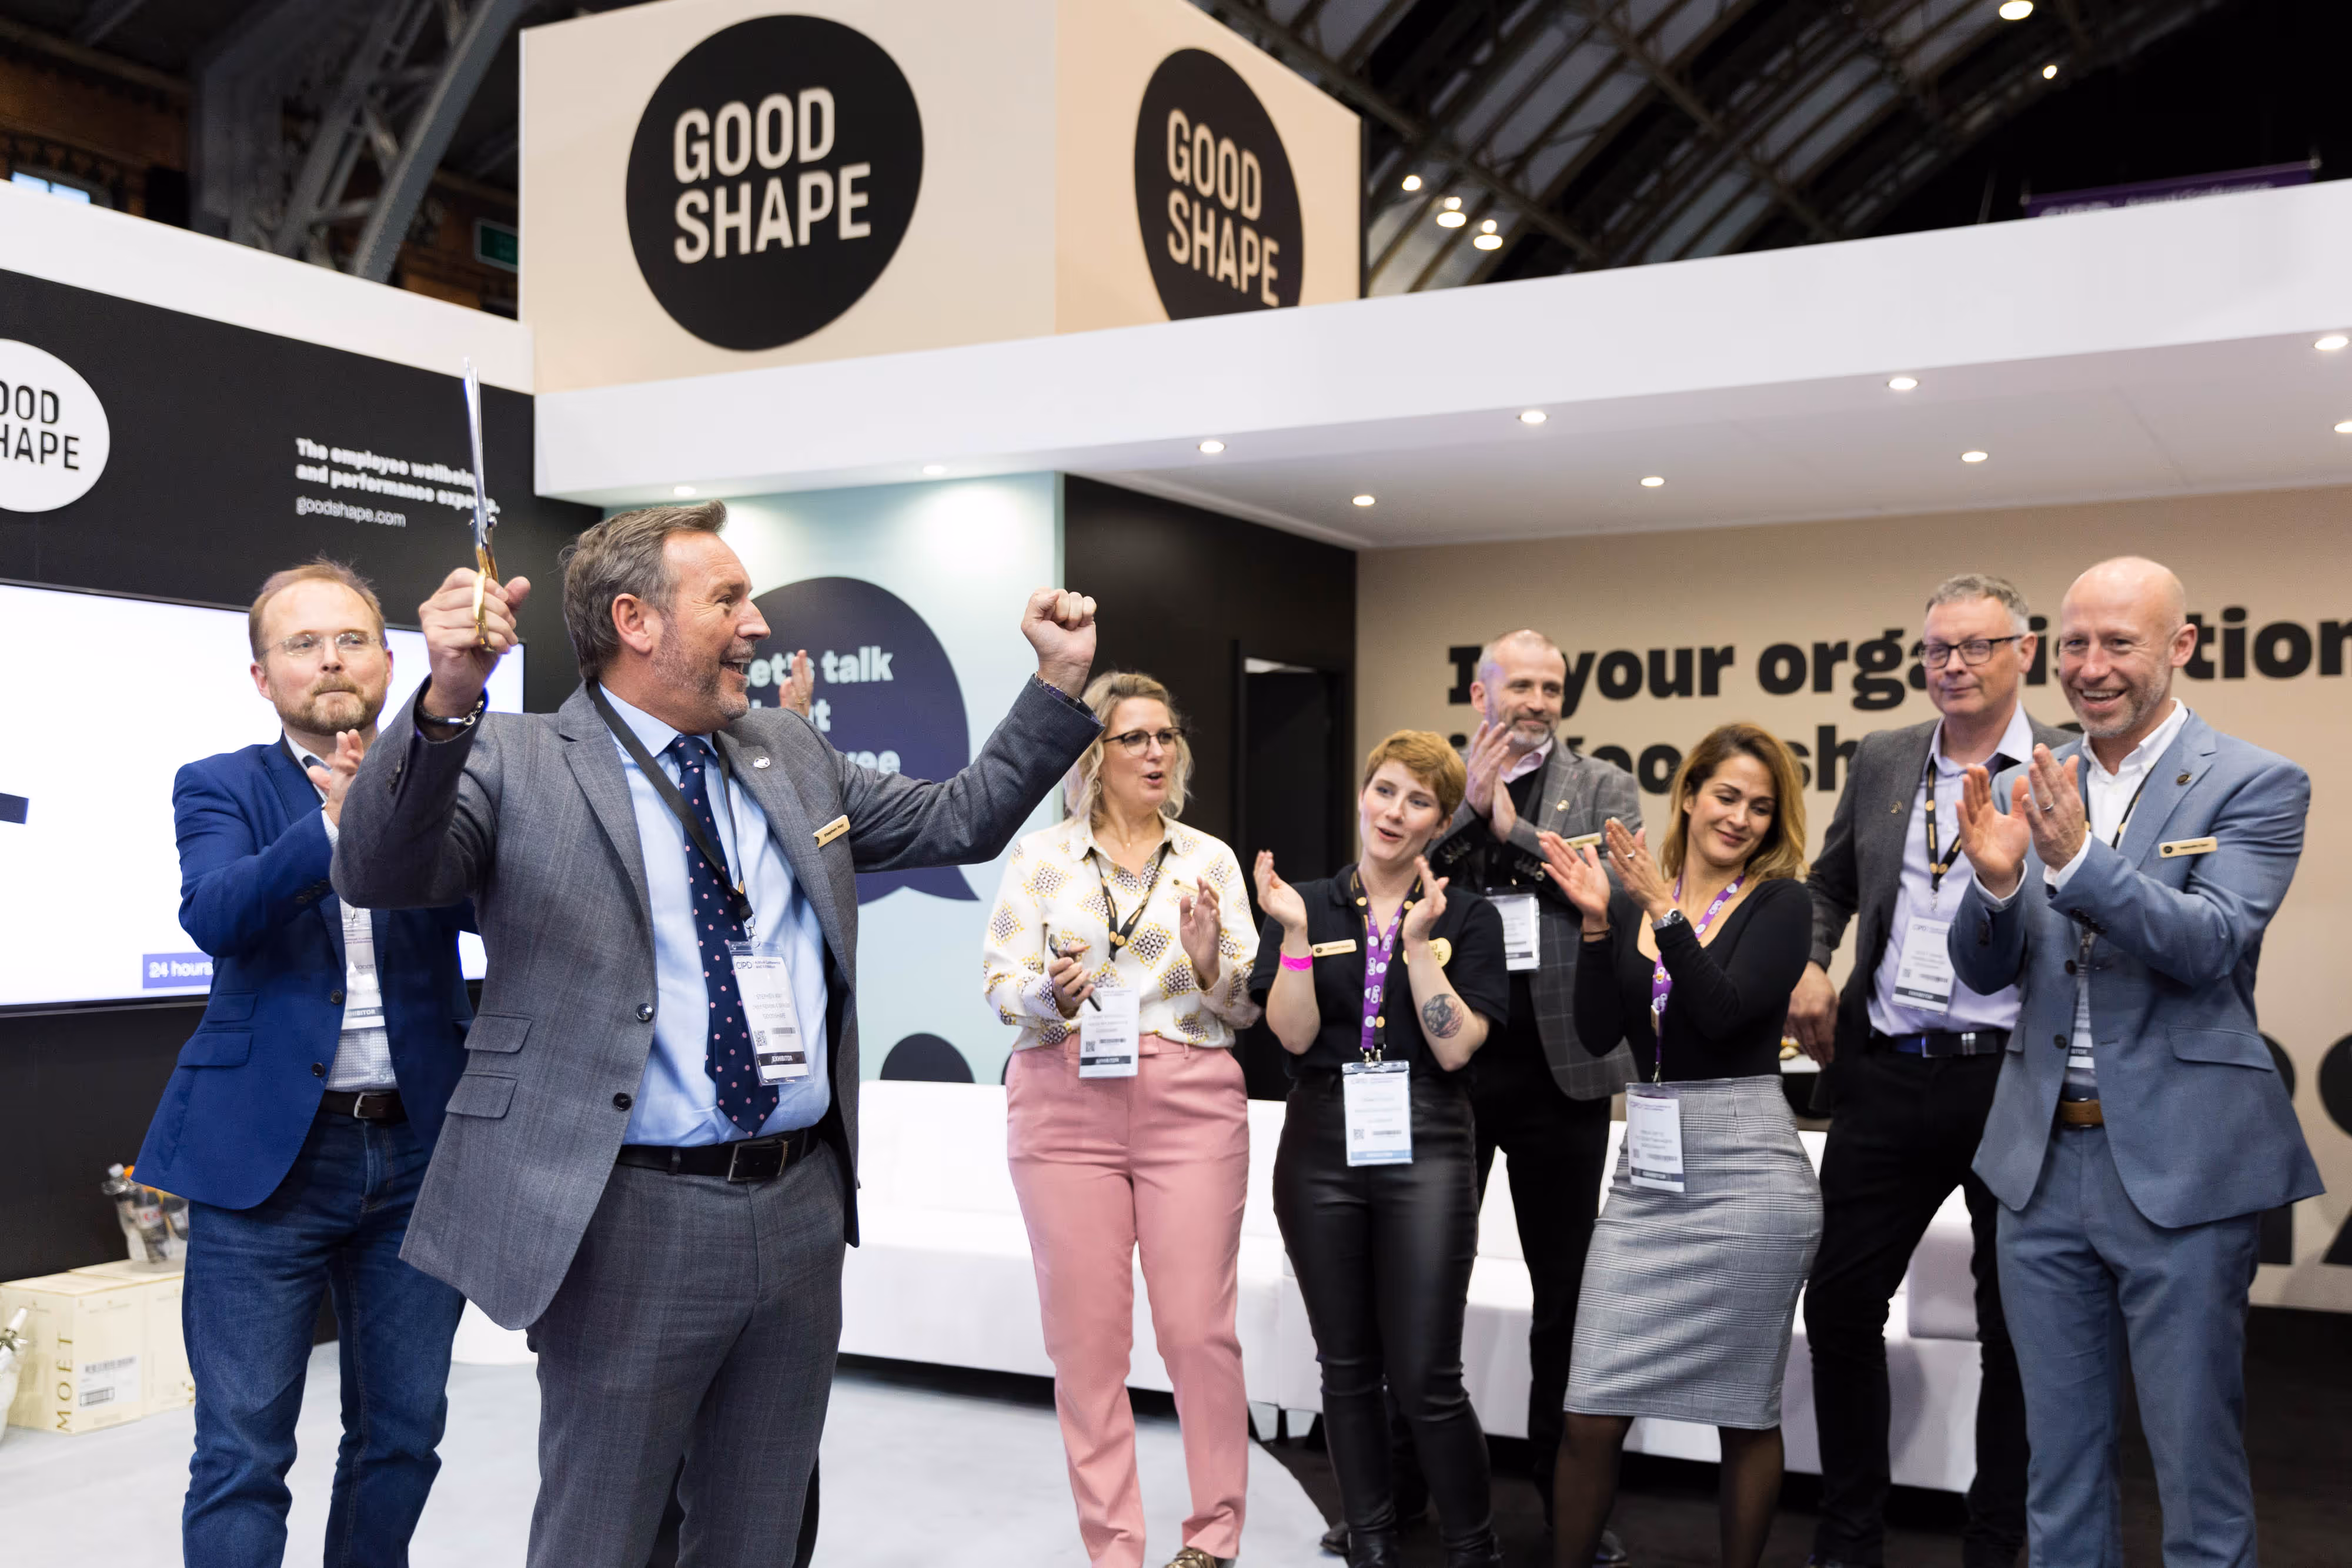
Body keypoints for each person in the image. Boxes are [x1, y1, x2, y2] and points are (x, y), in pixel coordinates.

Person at [332, 501, 1103, 1567]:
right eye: (729, 599)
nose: (757, 625)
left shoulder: (786, 746)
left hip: (797, 1210)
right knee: (601, 1532)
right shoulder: (518, 759)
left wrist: (1057, 682)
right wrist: (449, 694)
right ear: (635, 619)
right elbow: (379, 869)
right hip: (625, 1216)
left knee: (759, 1531)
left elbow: (957, 818)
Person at [1947, 556, 2320, 1568]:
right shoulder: (2027, 783)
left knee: (2195, 1462)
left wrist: (2072, 863)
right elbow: (1985, 974)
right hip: (2038, 1169)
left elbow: (2207, 945)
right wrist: (1990, 888)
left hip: (2182, 1172)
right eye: (2074, 642)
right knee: (2057, 1467)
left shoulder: (2257, 782)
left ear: (2180, 648)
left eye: (2120, 642)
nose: (2091, 665)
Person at [133, 559, 474, 1568]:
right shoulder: (222, 783)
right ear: (261, 675)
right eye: (301, 643)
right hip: (264, 1160)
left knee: (403, 1434)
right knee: (240, 1449)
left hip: (417, 1154)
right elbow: (219, 913)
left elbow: (495, 904)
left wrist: (406, 798)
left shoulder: (451, 779)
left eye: (352, 639)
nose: (330, 659)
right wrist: (334, 822)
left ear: (389, 658)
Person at [1786, 574, 2066, 1568]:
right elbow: (1828, 883)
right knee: (1841, 1304)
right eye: (1937, 649)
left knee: (2018, 1324)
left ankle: (1997, 1541)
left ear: (2023, 652)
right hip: (1888, 1070)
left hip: (2013, 1080)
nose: (1953, 665)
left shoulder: (2067, 766)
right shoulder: (1889, 755)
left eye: (1976, 647)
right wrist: (1814, 960)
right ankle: (1850, 1533)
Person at [981, 670, 1265, 1568]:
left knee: (1196, 1329)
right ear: (1093, 756)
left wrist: (1211, 959)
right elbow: (1000, 984)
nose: (1154, 751)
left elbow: (1242, 1007)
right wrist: (1046, 988)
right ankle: (1116, 1548)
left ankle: (1213, 1535)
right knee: (1088, 1345)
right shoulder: (1042, 859)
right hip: (1064, 1101)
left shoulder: (1208, 860)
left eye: (1165, 735)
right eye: (1133, 737)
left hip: (1190, 1099)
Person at [1538, 723, 1820, 1568]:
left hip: (1749, 1173)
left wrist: (1663, 911)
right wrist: (1597, 928)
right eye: (1726, 795)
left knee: (1744, 1410)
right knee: (1589, 1408)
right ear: (1690, 794)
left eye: (1761, 808)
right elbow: (1595, 1036)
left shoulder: (1781, 904)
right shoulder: (1628, 902)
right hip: (1648, 1175)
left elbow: (1726, 1014)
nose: (1740, 818)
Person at [1250, 731, 1512, 1568]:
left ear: (1440, 822)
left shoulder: (1465, 916)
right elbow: (1290, 1034)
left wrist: (1414, 950)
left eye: (1418, 800)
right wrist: (1291, 935)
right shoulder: (1309, 904)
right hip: (1322, 1139)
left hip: (1428, 1139)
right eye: (1385, 790)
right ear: (1363, 792)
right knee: (1347, 1367)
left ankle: (1473, 1546)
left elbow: (1457, 1046)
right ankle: (1370, 1542)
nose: (1394, 812)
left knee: (1427, 1374)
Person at [1425, 629, 1641, 1557]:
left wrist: (1503, 827)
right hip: (1462, 1065)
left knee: (1565, 1296)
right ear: (1482, 693)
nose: (1540, 700)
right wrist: (1466, 812)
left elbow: (1605, 890)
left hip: (1567, 1073)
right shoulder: (1436, 775)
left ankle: (1571, 1508)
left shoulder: (1605, 785)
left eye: (1555, 685)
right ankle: (1409, 1491)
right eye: (1523, 684)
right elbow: (1407, 871)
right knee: (1430, 1286)